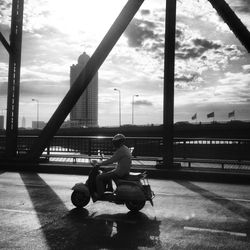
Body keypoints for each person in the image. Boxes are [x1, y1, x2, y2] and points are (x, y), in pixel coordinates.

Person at [94, 134, 132, 199]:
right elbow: (114, 158)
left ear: (118, 142)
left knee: (99, 177)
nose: (114, 144)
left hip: (120, 172)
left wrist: (99, 163)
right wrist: (105, 161)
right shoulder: (125, 148)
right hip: (124, 170)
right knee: (106, 170)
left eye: (115, 143)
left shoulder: (121, 150)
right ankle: (110, 188)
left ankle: (100, 195)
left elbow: (111, 160)